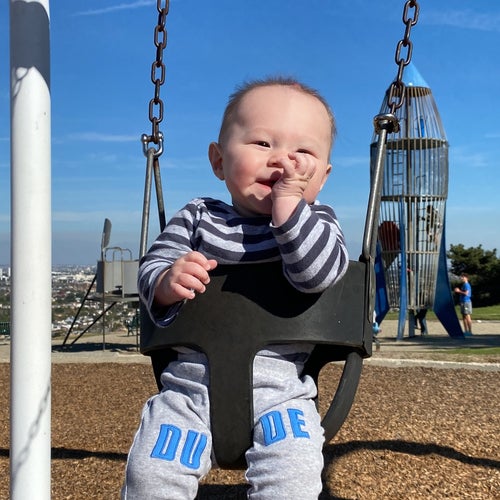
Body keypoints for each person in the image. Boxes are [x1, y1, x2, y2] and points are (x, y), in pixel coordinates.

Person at [122, 77, 349, 499]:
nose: (281, 160)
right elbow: (152, 268)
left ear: (323, 176)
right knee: (151, 475)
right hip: (187, 391)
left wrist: (289, 206)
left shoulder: (318, 221)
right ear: (219, 160)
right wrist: (168, 280)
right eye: (262, 143)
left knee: (294, 477)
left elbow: (318, 274)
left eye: (303, 152)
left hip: (282, 394)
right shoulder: (198, 217)